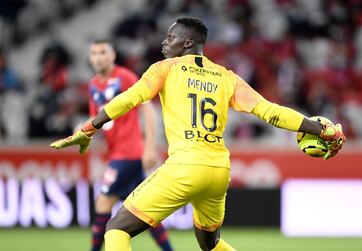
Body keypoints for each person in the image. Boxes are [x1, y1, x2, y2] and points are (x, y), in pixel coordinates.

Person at [51, 17, 346, 251]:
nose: (165, 42)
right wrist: (322, 128)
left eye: (171, 37)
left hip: (184, 167)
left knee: (116, 229)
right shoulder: (226, 76)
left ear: (188, 42)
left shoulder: (165, 68)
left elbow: (129, 98)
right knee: (210, 244)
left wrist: (89, 127)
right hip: (218, 171)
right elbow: (271, 111)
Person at [83, 40, 174, 251]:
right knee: (144, 210)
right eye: (94, 53)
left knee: (103, 202)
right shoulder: (93, 84)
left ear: (113, 55)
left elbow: (148, 109)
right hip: (116, 152)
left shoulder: (124, 77)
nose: (98, 57)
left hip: (129, 153)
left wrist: (149, 146)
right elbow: (94, 118)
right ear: (89, 58)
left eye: (103, 52)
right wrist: (82, 132)